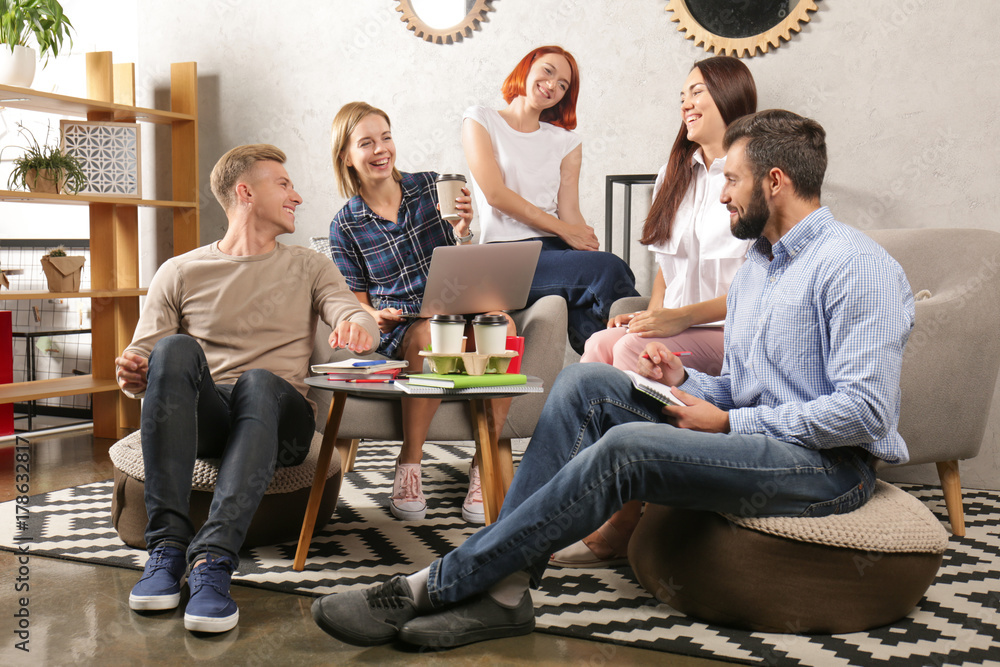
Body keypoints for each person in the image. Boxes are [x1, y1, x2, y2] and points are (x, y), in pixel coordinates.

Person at [310, 109, 915, 649]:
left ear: (775, 181)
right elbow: (745, 386)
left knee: (626, 450)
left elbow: (864, 413)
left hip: (826, 467)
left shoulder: (856, 267)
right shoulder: (759, 265)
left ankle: (440, 585)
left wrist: (729, 419)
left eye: (730, 180)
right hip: (754, 435)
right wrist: (690, 383)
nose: (721, 194)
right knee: (581, 386)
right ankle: (502, 594)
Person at [116, 144, 378, 634]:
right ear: (245, 192)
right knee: (173, 350)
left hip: (284, 421)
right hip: (214, 418)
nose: (297, 195)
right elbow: (142, 358)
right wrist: (132, 375)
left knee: (259, 382)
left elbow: (353, 311)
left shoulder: (309, 266)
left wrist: (358, 326)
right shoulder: (180, 271)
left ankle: (214, 559)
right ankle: (167, 550)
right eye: (283, 184)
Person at [555, 56, 757, 568]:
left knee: (629, 349)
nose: (686, 104)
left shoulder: (750, 175)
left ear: (730, 97)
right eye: (683, 95)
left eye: (697, 93)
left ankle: (628, 510)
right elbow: (666, 268)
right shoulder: (679, 169)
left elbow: (761, 289)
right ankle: (588, 494)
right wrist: (650, 315)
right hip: (685, 326)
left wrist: (676, 322)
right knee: (604, 342)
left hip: (734, 331)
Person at [329, 101, 516, 525]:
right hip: (407, 325)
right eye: (366, 143)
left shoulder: (431, 187)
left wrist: (465, 231)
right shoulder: (346, 224)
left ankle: (481, 466)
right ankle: (409, 464)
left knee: (501, 325)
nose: (381, 150)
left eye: (386, 137)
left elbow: (464, 256)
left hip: (458, 307)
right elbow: (354, 299)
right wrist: (372, 316)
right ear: (346, 156)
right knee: (433, 332)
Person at [463, 45, 639, 355]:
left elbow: (569, 209)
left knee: (610, 271)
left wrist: (583, 240)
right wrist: (565, 230)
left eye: (563, 85)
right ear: (527, 68)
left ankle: (609, 368)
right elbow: (495, 194)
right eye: (548, 71)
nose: (553, 86)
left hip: (555, 250)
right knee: (610, 271)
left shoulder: (567, 142)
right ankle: (633, 359)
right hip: (506, 256)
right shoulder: (481, 119)